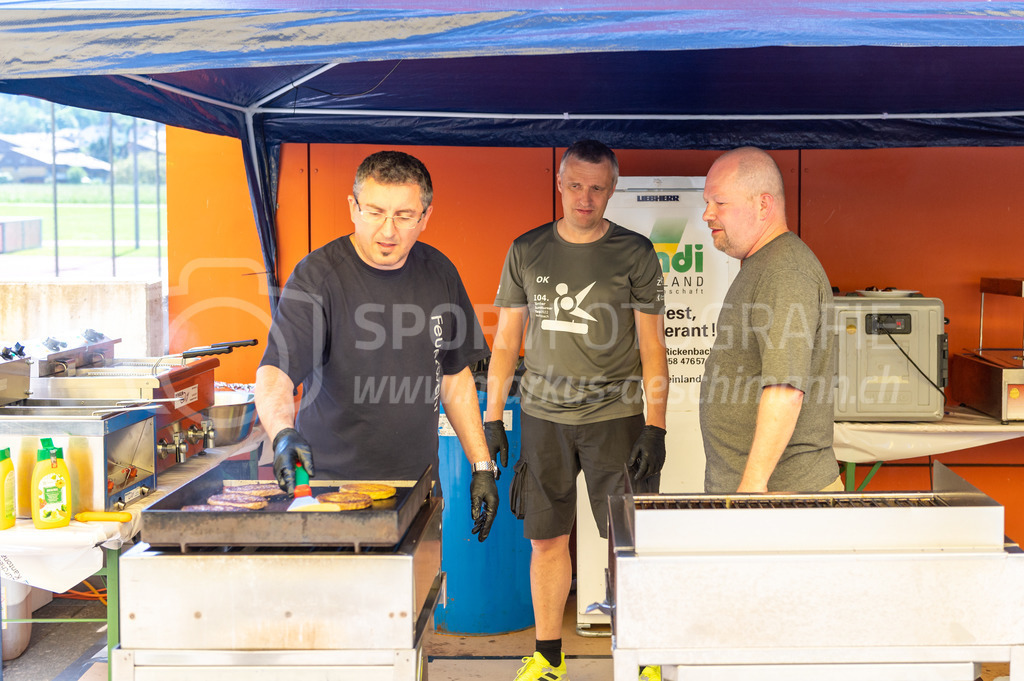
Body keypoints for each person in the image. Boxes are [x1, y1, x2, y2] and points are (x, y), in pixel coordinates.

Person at [484, 140, 668, 681]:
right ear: (559, 184)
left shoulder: (635, 252)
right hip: (544, 418)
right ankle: (547, 657)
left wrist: (655, 427)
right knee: (545, 540)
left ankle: (641, 658)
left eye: (597, 188)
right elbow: (506, 342)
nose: (585, 198)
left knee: (628, 543)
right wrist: (493, 417)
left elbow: (653, 345)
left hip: (617, 417)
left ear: (612, 190)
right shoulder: (527, 249)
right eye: (575, 186)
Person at [255, 150, 499, 540]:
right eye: (374, 212)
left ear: (425, 217)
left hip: (417, 489)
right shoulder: (317, 277)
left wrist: (482, 466)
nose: (388, 231)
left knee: (418, 581)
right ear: (353, 208)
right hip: (328, 490)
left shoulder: (440, 273)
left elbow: (454, 376)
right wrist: (282, 432)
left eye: (404, 216)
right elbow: (276, 372)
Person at [699, 146, 841, 494]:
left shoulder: (784, 271)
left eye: (719, 202)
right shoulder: (764, 264)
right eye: (707, 202)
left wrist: (752, 487)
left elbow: (785, 390)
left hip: (781, 497)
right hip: (765, 494)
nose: (707, 214)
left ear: (764, 205)